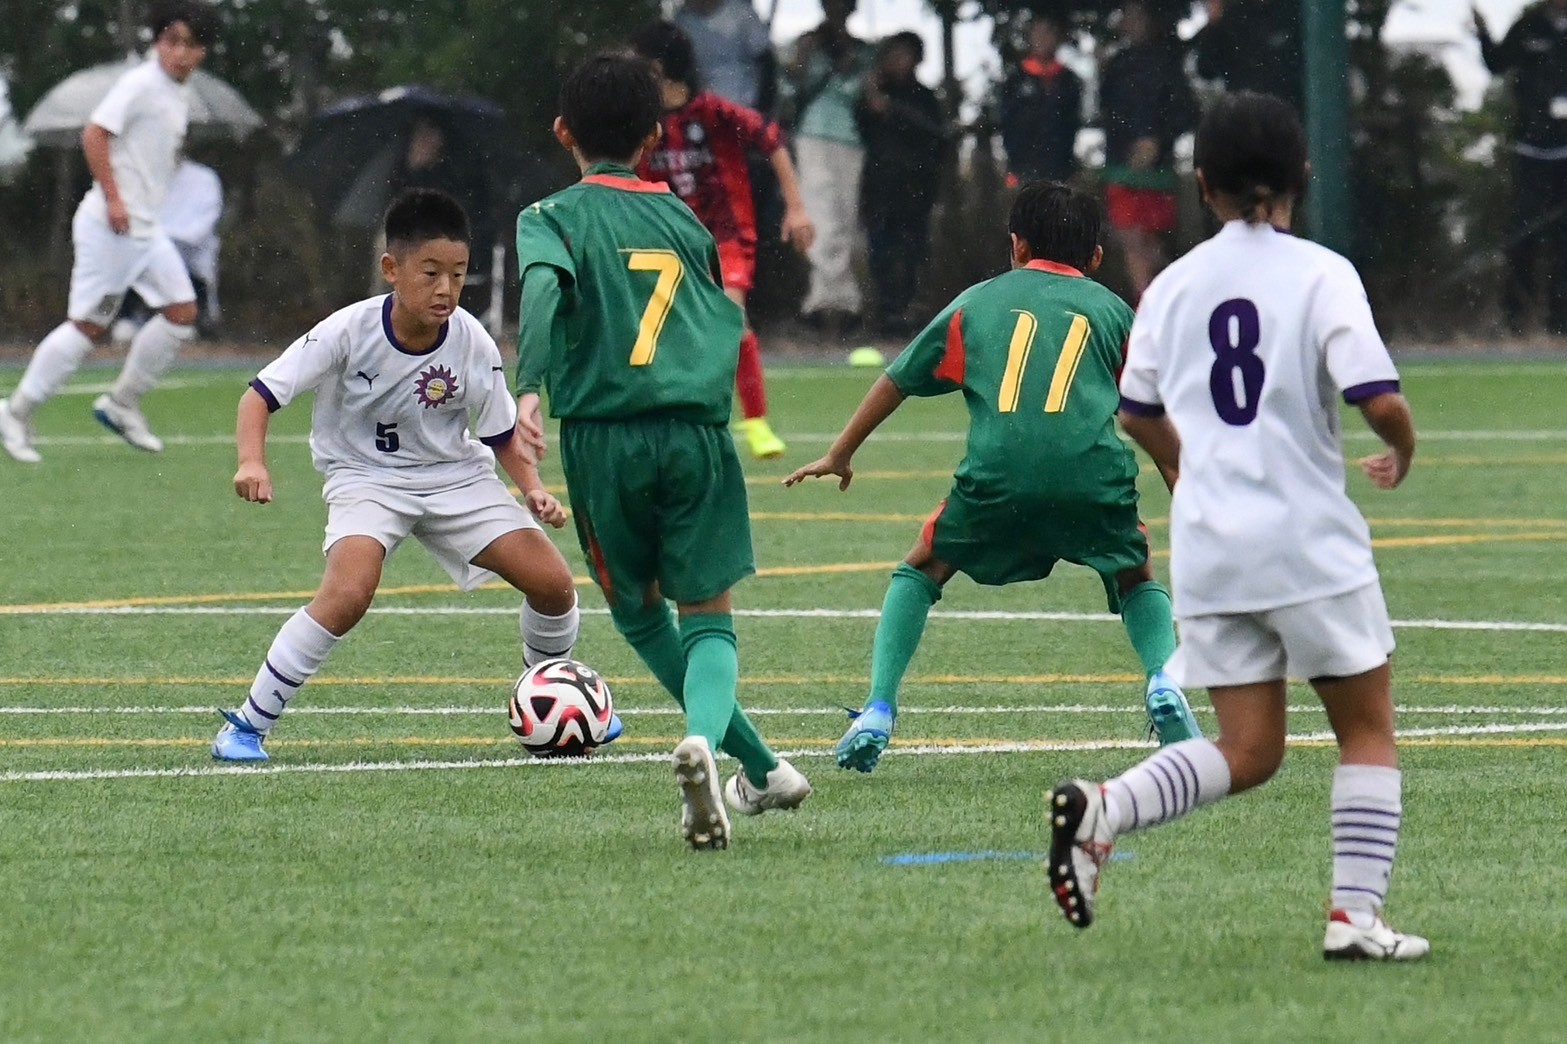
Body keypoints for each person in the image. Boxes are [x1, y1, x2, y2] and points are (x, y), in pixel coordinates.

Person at [1044, 92, 1428, 962]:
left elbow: (1135, 410)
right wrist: (1401, 445)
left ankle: (1105, 808)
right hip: (1305, 538)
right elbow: (1376, 397)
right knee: (1365, 730)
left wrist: (1192, 471)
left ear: (1201, 184)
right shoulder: (1321, 273)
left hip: (1212, 546)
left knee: (1248, 749)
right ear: (1302, 176)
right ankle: (1354, 916)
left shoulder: (1172, 285)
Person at [784, 181, 1201, 774]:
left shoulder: (976, 302)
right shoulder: (1114, 312)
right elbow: (1150, 414)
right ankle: (1163, 679)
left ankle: (878, 708)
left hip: (998, 479)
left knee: (920, 569)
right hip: (1093, 478)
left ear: (1017, 245)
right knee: (1135, 574)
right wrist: (1185, 485)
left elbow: (898, 379)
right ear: (1096, 257)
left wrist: (840, 452)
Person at [513, 52, 811, 848]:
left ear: (562, 132)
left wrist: (529, 387)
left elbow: (541, 292)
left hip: (603, 437)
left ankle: (726, 753)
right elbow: (713, 319)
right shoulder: (685, 220)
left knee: (639, 612)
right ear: (654, 136)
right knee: (707, 615)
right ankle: (746, 761)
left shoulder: (550, 217)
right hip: (694, 434)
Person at [210, 188, 598, 763]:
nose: (446, 289)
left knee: (554, 585)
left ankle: (550, 705)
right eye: (430, 273)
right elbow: (259, 396)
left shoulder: (472, 340)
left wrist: (534, 489)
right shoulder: (347, 330)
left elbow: (499, 433)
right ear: (391, 269)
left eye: (458, 275)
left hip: (454, 477)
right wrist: (251, 460)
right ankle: (246, 726)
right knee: (348, 593)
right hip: (365, 479)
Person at [0, 1, 219, 464]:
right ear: (158, 41)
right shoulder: (141, 84)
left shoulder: (178, 93)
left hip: (146, 230)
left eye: (192, 44)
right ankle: (15, 413)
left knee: (182, 312)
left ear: (204, 51)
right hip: (111, 228)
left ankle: (122, 404)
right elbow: (95, 134)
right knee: (88, 326)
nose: (181, 52)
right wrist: (115, 198)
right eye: (173, 41)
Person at [630, 21, 816, 461]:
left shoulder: (715, 112)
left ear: (659, 67)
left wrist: (796, 207)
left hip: (727, 236)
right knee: (663, 330)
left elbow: (773, 141)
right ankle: (676, 417)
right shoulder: (642, 125)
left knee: (731, 319)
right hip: (668, 240)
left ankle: (755, 422)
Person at [781, 0, 876, 337]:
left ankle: (834, 302)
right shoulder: (808, 43)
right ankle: (831, 302)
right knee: (821, 219)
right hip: (812, 135)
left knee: (844, 220)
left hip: (850, 139)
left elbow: (869, 97)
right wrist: (805, 58)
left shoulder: (863, 50)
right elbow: (789, 85)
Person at [1475, 1, 1567, 336]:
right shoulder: (1529, 26)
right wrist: (1482, 33)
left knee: (1563, 241)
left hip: (1565, 155)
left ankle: (1560, 323)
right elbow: (1497, 63)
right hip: (1531, 152)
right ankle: (1515, 320)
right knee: (1523, 234)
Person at [1097, 1, 1198, 304]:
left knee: (1153, 245)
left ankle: (1159, 303)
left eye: (1139, 16)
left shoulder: (1167, 63)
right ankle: (1143, 305)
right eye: (1128, 16)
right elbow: (1107, 112)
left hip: (1158, 174)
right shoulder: (1116, 65)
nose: (1133, 22)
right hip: (1122, 169)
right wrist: (1129, 144)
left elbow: (1187, 112)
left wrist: (1157, 141)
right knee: (1130, 239)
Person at [855, 31, 946, 336]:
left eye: (903, 55)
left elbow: (935, 134)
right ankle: (886, 312)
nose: (897, 61)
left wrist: (892, 110)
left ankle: (907, 311)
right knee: (880, 252)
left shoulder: (924, 98)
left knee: (911, 253)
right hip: (881, 190)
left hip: (915, 190)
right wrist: (871, 99)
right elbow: (863, 129)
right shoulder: (873, 96)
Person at [112, 157, 224, 343]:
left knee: (184, 303)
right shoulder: (141, 176)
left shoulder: (204, 178)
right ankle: (131, 318)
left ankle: (195, 324)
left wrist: (167, 243)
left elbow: (202, 225)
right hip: (145, 255)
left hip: (189, 261)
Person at [393, 117, 495, 316]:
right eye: (419, 136)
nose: (422, 142)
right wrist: (413, 170)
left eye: (428, 135)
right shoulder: (402, 169)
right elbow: (399, 210)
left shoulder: (456, 173)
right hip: (413, 242)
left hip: (454, 244)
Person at [998, 12, 1084, 186]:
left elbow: (1072, 123)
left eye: (1048, 32)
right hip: (1023, 169)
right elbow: (1007, 124)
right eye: (1038, 32)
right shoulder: (1016, 80)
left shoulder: (1068, 80)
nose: (1043, 39)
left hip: (1059, 169)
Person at [1193, 0, 1303, 111]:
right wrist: (1214, 25)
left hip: (1287, 108)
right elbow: (1206, 69)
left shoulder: (1294, 13)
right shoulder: (1233, 19)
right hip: (1245, 110)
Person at [674, 0, 776, 112]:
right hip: (701, 110)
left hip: (743, 107)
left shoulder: (741, 13)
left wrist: (763, 109)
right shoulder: (682, 21)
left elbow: (766, 61)